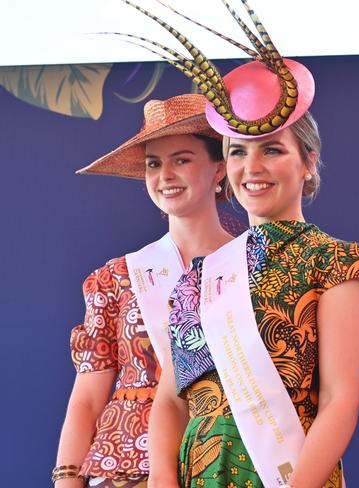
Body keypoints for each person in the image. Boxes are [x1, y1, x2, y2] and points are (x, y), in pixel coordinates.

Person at [120, 3, 359, 487]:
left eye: (273, 150)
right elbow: (173, 398)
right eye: (238, 151)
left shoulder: (338, 262)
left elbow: (341, 400)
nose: (252, 167)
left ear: (309, 162)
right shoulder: (200, 275)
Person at [54, 94, 238, 487]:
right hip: (124, 468)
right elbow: (87, 397)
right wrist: (66, 478)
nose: (165, 175)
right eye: (154, 164)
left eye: (182, 160)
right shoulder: (117, 278)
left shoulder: (254, 268)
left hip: (224, 460)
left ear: (219, 167)